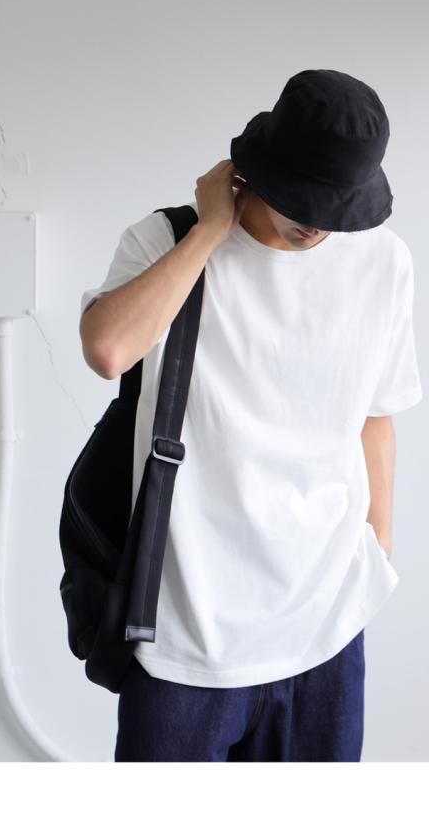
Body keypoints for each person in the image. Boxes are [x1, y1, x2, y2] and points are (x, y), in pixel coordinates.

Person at [78, 69, 423, 762]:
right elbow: (108, 350)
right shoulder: (169, 240)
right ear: (259, 169)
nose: (318, 224)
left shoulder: (383, 262)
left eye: (335, 207)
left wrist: (377, 544)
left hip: (325, 624)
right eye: (303, 200)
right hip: (187, 632)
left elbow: (375, 412)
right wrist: (209, 232)